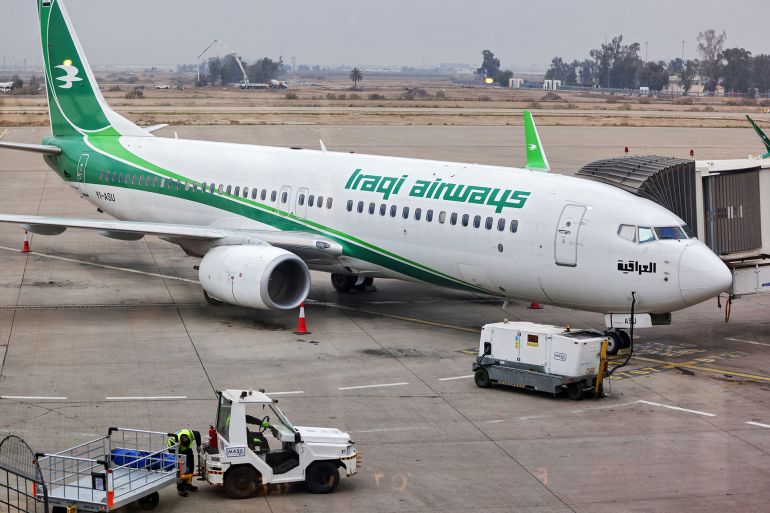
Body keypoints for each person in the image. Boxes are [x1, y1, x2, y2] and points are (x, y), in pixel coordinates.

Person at [167, 428, 201, 497]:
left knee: (191, 465)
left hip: (186, 451)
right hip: (176, 452)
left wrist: (198, 445)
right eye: (185, 445)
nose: (188, 446)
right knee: (182, 470)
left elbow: (197, 434)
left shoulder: (188, 433)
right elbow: (175, 455)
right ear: (181, 443)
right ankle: (181, 488)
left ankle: (188, 484)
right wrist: (179, 449)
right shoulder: (172, 442)